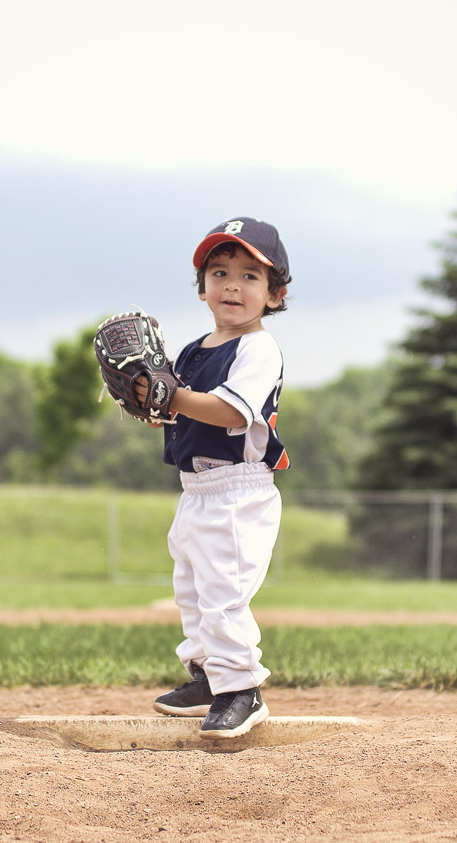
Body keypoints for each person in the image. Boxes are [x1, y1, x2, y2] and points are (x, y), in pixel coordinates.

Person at [149, 216, 292, 740]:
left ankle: (241, 690)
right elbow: (177, 413)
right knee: (192, 589)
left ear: (274, 295)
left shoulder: (258, 349)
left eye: (251, 276)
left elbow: (231, 414)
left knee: (223, 592)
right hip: (197, 491)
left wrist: (173, 396)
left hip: (238, 491)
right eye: (220, 271)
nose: (233, 284)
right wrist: (149, 401)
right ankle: (209, 676)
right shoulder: (192, 351)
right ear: (203, 287)